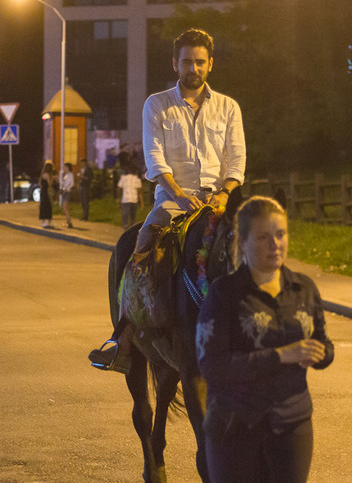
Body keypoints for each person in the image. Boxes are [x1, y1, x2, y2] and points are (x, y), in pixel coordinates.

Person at [191, 196, 333, 483]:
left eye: (281, 234)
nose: (275, 244)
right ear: (243, 243)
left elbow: (324, 341)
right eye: (264, 237)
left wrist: (323, 353)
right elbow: (212, 366)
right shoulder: (224, 294)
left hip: (292, 426)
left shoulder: (303, 288)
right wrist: (282, 355)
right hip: (235, 427)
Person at [90, 28, 246, 372]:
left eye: (201, 62)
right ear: (175, 64)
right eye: (187, 61)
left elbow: (236, 161)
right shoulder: (156, 104)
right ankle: (124, 336)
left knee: (250, 244)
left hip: (220, 201)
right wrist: (178, 194)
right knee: (142, 246)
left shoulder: (228, 108)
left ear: (211, 64)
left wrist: (224, 194)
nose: (194, 67)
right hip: (173, 200)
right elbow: (155, 157)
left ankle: (259, 325)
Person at [116, 153, 144, 229]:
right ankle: (131, 228)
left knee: (125, 215)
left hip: (125, 199)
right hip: (133, 199)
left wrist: (118, 199)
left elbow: (119, 188)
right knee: (132, 216)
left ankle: (125, 228)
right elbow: (140, 192)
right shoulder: (137, 180)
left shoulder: (124, 178)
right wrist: (142, 203)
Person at [39, 161, 55, 228]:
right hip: (47, 192)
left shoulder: (42, 174)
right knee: (48, 206)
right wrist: (53, 179)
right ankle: (49, 222)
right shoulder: (48, 174)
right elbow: (50, 184)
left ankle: (43, 222)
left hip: (43, 192)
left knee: (43, 206)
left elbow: (40, 184)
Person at [58, 161, 75, 228]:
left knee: (65, 207)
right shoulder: (65, 175)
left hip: (67, 192)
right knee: (65, 207)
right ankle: (68, 221)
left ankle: (69, 222)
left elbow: (72, 183)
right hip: (65, 192)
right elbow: (62, 183)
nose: (64, 168)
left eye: (65, 167)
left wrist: (67, 188)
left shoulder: (70, 174)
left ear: (68, 167)